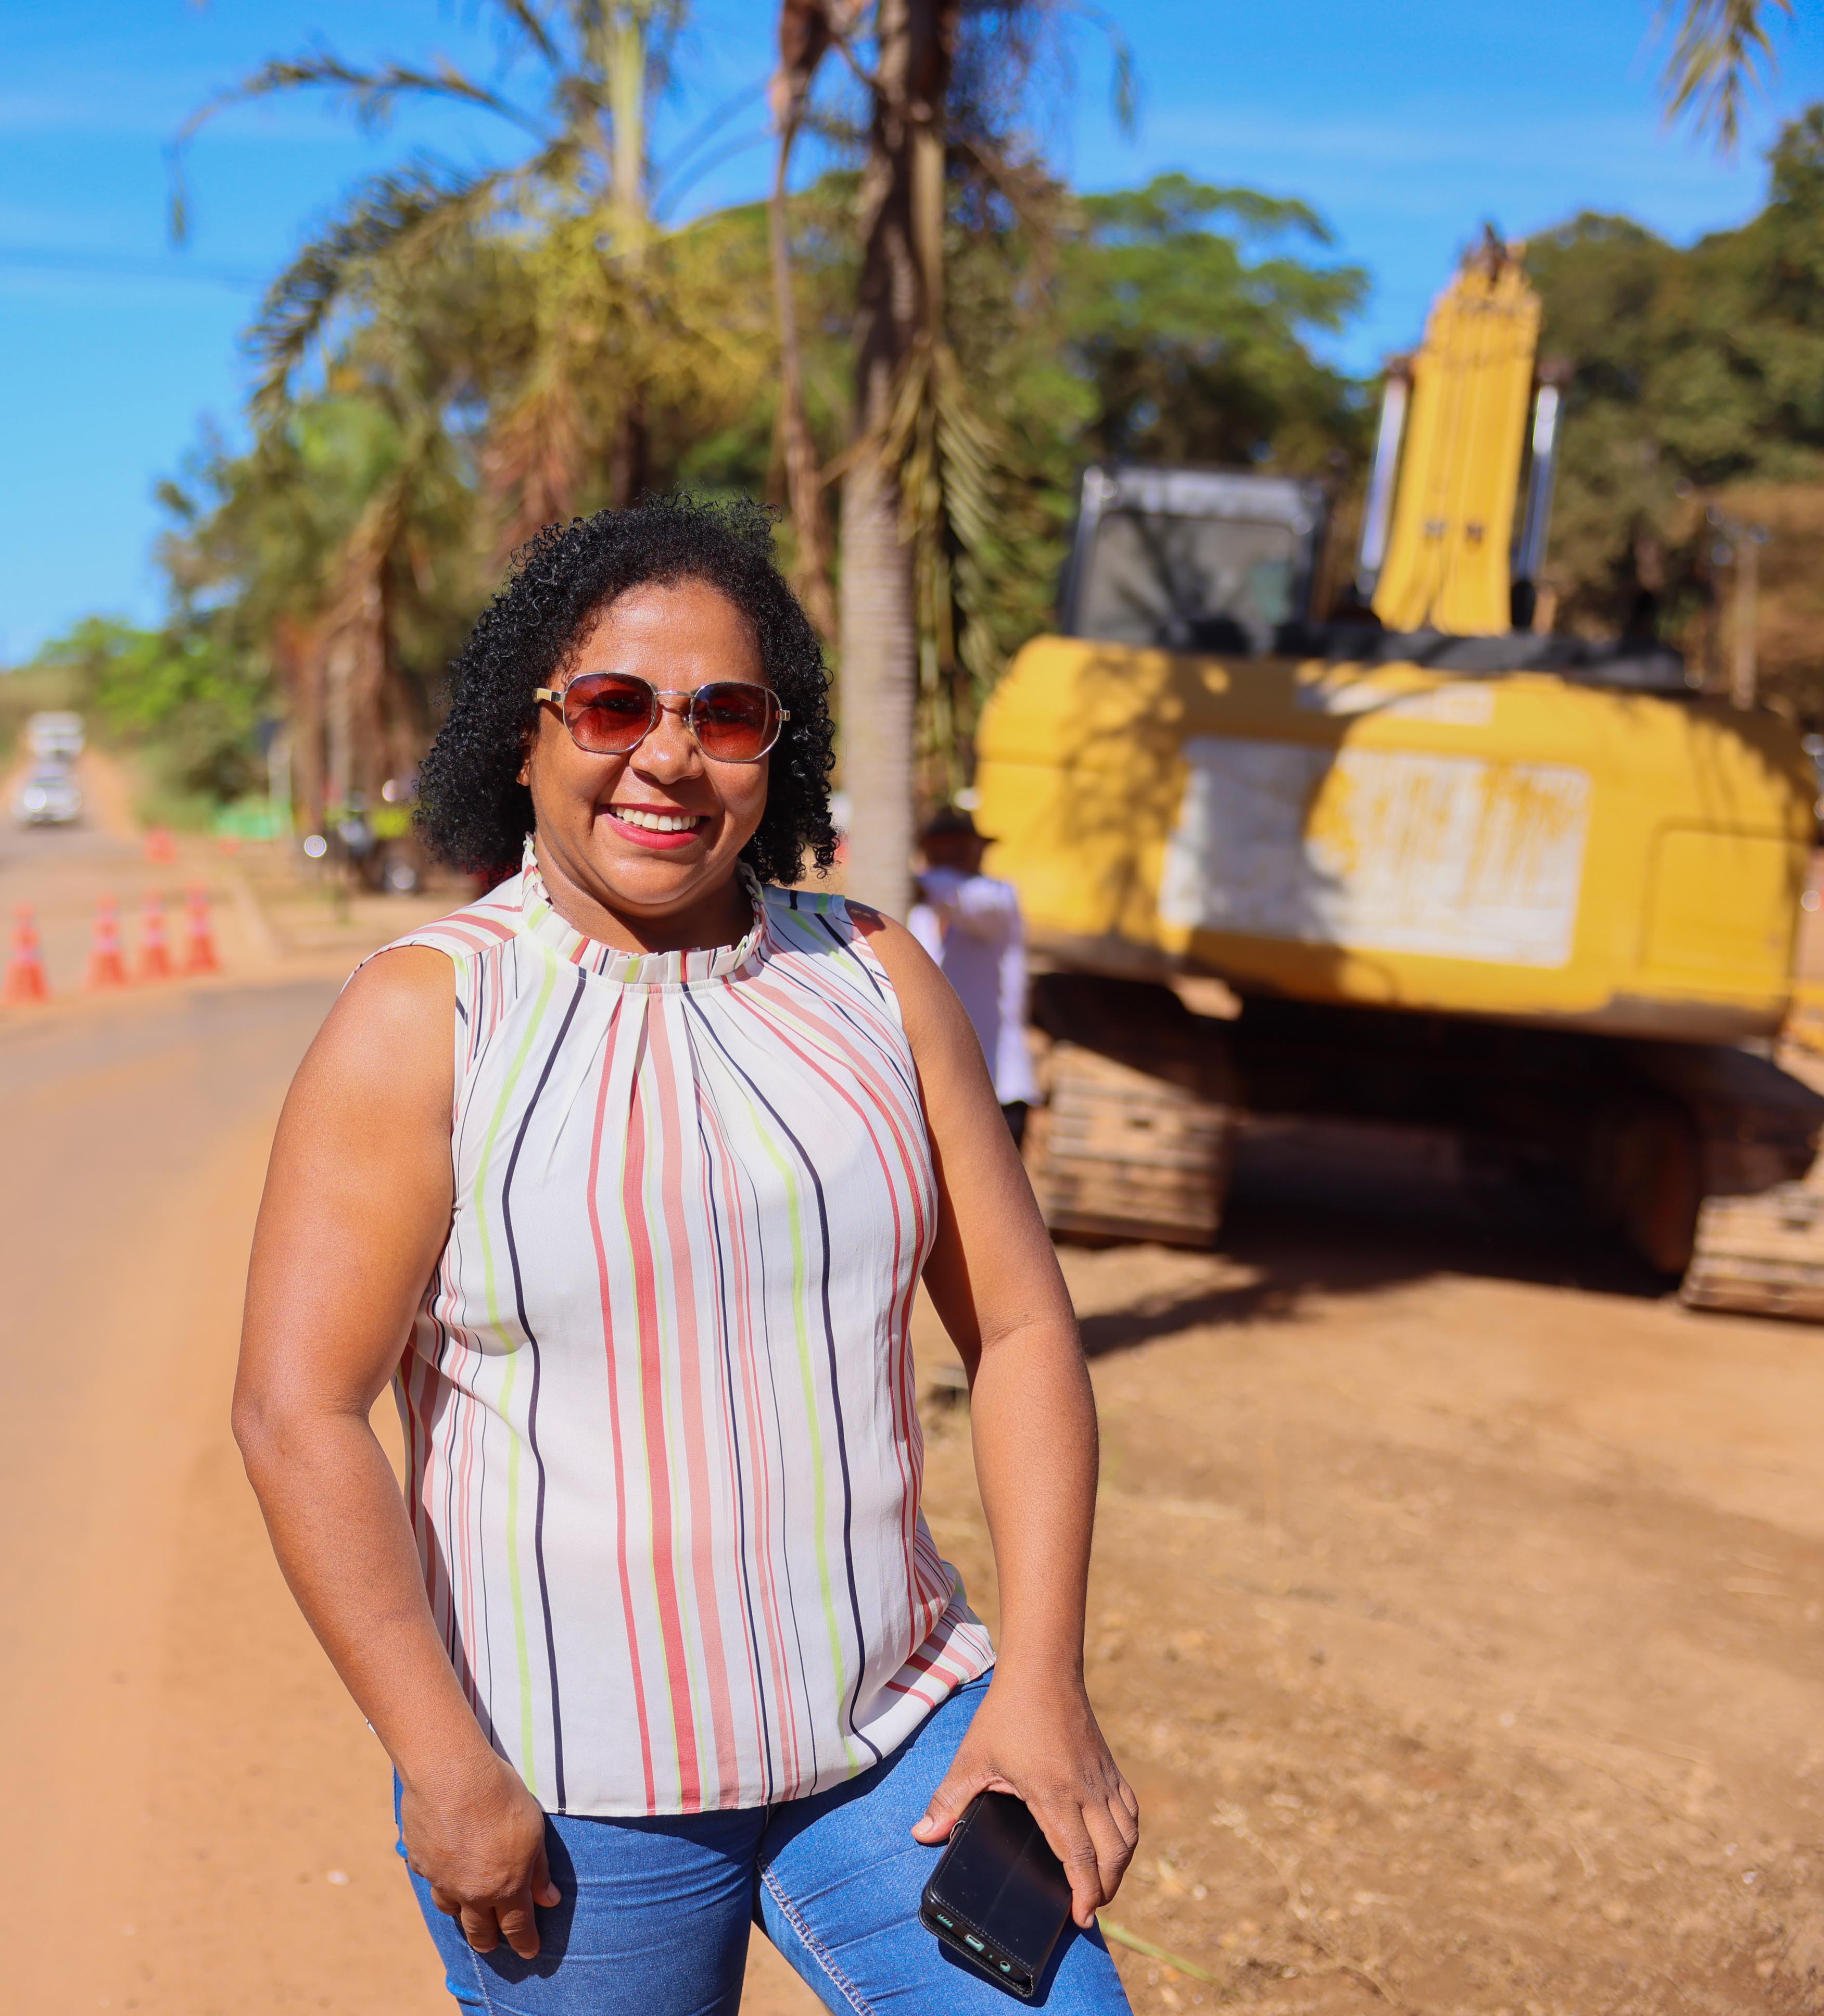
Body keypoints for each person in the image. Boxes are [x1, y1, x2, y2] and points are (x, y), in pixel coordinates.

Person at [234, 496, 1135, 2015]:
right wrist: (443, 1760)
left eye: (725, 712)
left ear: (774, 746)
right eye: (611, 704)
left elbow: (1026, 1336)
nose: (667, 752)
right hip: (575, 1782)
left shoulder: (874, 974)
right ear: (524, 734)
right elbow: (297, 1413)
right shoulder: (426, 1019)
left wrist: (1040, 1682)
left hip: (895, 1735)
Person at [909, 805, 1040, 1145]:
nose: (950, 857)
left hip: (998, 1090)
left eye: (959, 847)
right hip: (937, 1090)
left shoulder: (998, 898)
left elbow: (963, 899)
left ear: (979, 851)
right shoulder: (917, 914)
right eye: (941, 848)